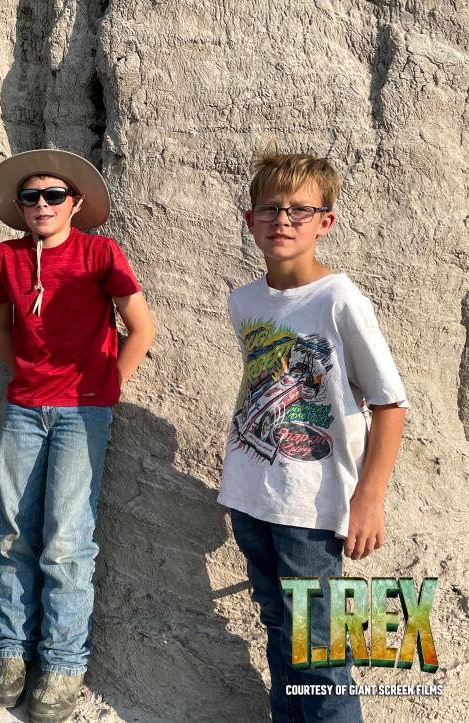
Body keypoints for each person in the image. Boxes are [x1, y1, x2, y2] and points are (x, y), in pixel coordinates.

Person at [219, 151, 408, 722]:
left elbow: (390, 404)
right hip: (250, 498)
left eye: (300, 210)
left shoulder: (340, 300)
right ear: (250, 219)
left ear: (326, 221)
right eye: (270, 209)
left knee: (321, 651)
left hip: (313, 508)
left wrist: (368, 499)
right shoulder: (244, 300)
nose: (283, 220)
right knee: (279, 627)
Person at [0, 149, 155, 723]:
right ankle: (9, 653)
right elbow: (2, 325)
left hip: (85, 414)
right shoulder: (5, 257)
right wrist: (22, 378)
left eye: (53, 195)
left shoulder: (99, 253)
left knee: (66, 540)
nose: (41, 204)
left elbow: (143, 327)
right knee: (13, 535)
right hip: (24, 410)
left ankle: (61, 662)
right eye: (30, 197)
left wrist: (106, 387)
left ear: (75, 204)